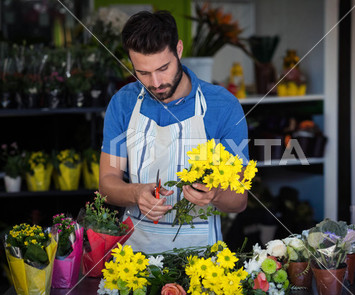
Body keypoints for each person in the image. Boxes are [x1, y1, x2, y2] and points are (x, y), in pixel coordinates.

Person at [99, 10, 249, 254]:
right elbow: (107, 184)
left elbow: (240, 200)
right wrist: (135, 192)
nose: (156, 82)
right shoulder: (123, 104)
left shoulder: (222, 106)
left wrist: (215, 193)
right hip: (133, 261)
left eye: (163, 68)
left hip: (202, 260)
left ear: (178, 50)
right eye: (143, 73)